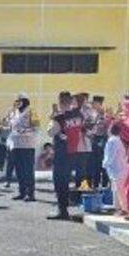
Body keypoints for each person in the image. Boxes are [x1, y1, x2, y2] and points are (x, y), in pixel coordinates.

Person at [48, 93, 83, 221]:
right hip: (73, 151)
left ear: (60, 103)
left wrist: (52, 118)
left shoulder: (59, 118)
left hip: (61, 152)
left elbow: (50, 132)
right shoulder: (79, 115)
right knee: (67, 181)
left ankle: (62, 211)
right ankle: (65, 209)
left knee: (59, 183)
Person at [8, 97, 37, 201]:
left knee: (28, 170)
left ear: (25, 103)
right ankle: (22, 192)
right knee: (19, 170)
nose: (17, 103)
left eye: (19, 102)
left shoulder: (32, 112)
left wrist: (24, 131)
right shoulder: (13, 113)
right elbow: (11, 127)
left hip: (27, 145)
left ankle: (31, 194)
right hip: (16, 144)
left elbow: (36, 128)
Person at [102, 121, 129, 215]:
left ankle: (124, 209)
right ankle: (118, 208)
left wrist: (104, 164)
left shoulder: (112, 141)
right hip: (119, 168)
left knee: (119, 190)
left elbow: (110, 156)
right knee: (116, 189)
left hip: (118, 169)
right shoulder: (118, 140)